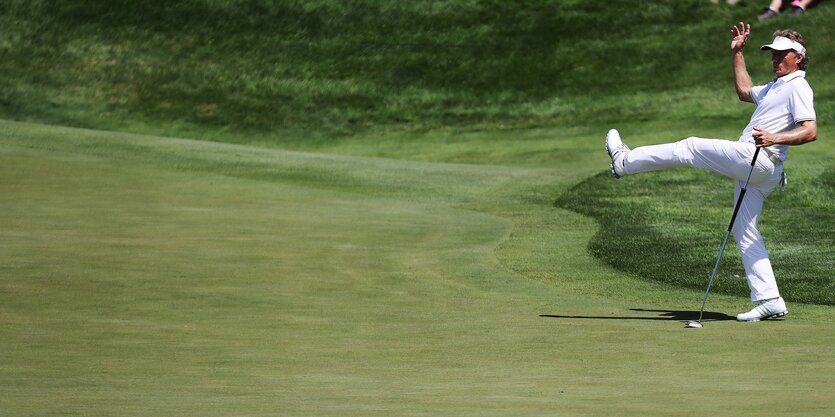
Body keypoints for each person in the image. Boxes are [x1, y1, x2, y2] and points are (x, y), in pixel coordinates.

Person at [604, 22, 817, 322]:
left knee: (691, 147)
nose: (775, 59)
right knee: (746, 232)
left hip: (761, 158)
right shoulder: (775, 87)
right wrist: (737, 53)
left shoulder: (798, 86)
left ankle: (624, 162)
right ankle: (770, 299)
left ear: (798, 57)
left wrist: (775, 138)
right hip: (757, 168)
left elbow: (810, 131)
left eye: (782, 54)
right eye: (772, 54)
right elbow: (744, 91)